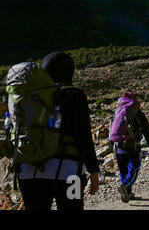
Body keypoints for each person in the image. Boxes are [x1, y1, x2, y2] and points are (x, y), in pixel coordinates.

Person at [17, 52, 100, 210]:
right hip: (69, 173)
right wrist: (93, 171)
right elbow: (83, 137)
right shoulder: (75, 94)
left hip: (29, 172)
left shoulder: (30, 96)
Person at [110, 92, 149, 203]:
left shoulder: (118, 111)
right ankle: (124, 186)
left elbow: (112, 128)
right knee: (135, 167)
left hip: (118, 147)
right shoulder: (137, 113)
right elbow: (147, 131)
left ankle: (128, 194)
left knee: (124, 171)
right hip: (132, 146)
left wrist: (111, 144)